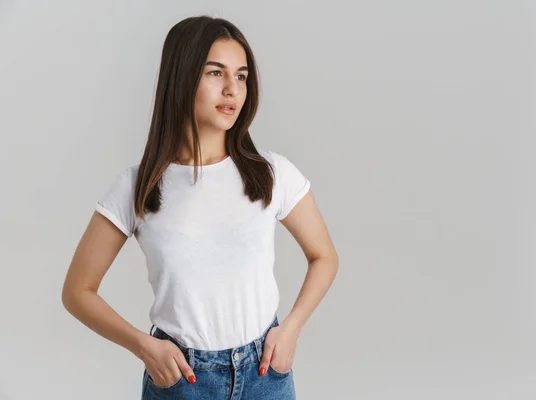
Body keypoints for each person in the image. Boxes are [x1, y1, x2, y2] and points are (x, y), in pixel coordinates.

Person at [61, 15, 339, 400]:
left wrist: (291, 329)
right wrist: (144, 346)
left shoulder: (271, 173)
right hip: (183, 381)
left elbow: (324, 256)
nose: (232, 90)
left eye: (241, 76)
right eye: (215, 73)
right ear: (182, 77)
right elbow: (77, 290)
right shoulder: (139, 186)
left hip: (265, 376)